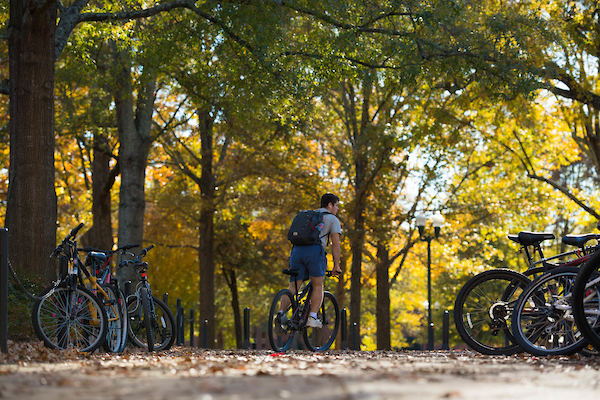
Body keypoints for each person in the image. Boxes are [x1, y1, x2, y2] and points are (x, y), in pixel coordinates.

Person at [279, 193, 342, 328]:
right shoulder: (332, 219)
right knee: (318, 286)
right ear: (330, 205)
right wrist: (336, 265)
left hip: (297, 250)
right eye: (336, 206)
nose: (337, 209)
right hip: (315, 252)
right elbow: (336, 245)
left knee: (293, 287)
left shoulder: (309, 216)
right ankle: (312, 317)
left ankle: (280, 314)